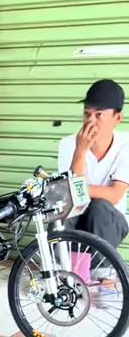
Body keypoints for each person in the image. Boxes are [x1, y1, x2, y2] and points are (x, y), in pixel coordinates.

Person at [58, 79, 129, 248]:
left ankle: (103, 265)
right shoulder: (68, 144)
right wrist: (80, 151)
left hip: (111, 220)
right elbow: (71, 196)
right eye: (86, 114)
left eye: (99, 115)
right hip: (78, 212)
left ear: (117, 118)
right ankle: (64, 263)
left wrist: (78, 188)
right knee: (62, 212)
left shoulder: (126, 145)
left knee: (98, 207)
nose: (90, 121)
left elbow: (115, 195)